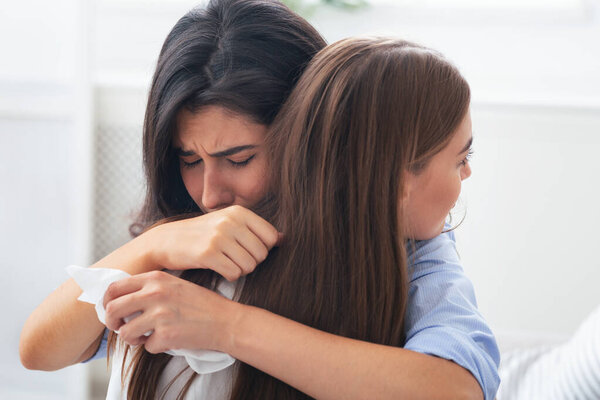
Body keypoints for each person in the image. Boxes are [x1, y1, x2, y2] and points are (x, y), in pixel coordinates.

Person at [19, 1, 499, 399]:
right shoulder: (183, 244)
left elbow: (456, 388)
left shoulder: (411, 253)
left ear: (312, 137)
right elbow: (39, 350)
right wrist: (154, 245)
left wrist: (226, 327)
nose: (210, 194)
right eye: (188, 159)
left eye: (240, 158)